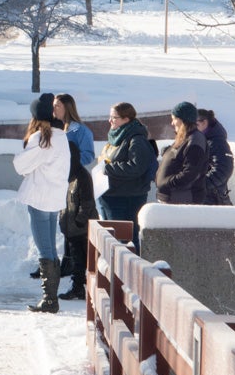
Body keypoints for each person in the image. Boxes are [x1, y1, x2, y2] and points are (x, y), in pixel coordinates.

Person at [13, 94, 71, 314]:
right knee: (50, 248)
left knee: (44, 248)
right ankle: (51, 298)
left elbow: (21, 166)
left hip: (39, 198)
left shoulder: (41, 138)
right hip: (54, 199)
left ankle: (49, 299)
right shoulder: (62, 137)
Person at [53, 93, 97, 299]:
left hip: (74, 179)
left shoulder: (78, 130)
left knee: (77, 237)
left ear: (68, 107)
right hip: (62, 181)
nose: (54, 110)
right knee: (66, 228)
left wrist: (71, 160)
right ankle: (67, 264)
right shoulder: (56, 128)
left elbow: (87, 155)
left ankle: (77, 277)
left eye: (58, 106)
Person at [97, 102, 156, 246]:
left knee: (124, 242)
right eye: (110, 116)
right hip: (111, 196)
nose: (110, 120)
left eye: (114, 117)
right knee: (111, 240)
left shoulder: (136, 139)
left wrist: (108, 168)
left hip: (126, 199)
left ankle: (127, 268)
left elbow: (136, 167)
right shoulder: (116, 137)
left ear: (126, 119)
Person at [156, 102, 210, 204]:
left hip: (183, 200)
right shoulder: (184, 138)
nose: (172, 123)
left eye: (174, 119)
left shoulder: (195, 140)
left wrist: (166, 183)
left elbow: (190, 173)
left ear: (183, 120)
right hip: (171, 198)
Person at [197, 108, 234, 205]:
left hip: (214, 199)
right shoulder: (201, 140)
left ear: (204, 123)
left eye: (195, 125)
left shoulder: (217, 142)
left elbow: (223, 170)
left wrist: (200, 184)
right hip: (205, 197)